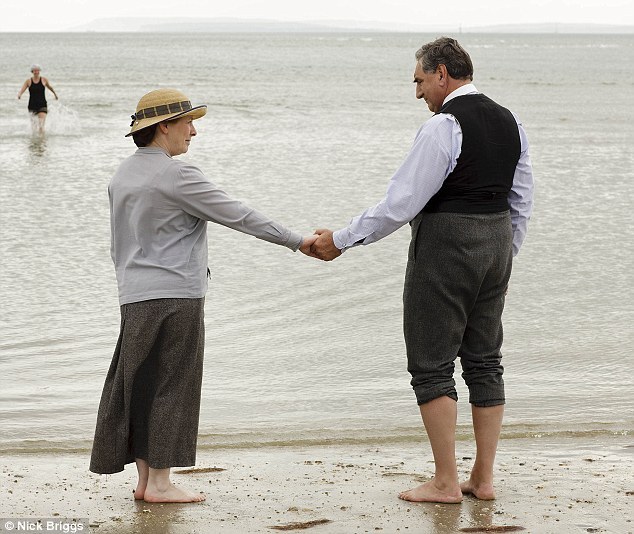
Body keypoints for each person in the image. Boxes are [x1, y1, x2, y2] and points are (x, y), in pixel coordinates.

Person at [309, 37, 534, 504]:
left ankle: (446, 482)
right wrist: (503, 250)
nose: (417, 93)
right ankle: (484, 480)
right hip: (497, 244)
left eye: (418, 81)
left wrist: (342, 240)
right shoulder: (511, 121)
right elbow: (521, 198)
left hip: (447, 244)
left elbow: (401, 203)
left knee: (431, 363)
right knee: (485, 359)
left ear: (442, 74)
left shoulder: (444, 126)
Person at [89, 88, 317, 503]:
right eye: (187, 123)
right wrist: (297, 240)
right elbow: (239, 215)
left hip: (133, 295)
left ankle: (145, 482)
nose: (193, 131)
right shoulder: (177, 175)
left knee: (141, 385)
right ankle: (160, 484)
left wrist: (129, 284)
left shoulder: (121, 176)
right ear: (163, 127)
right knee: (173, 385)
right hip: (177, 295)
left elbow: (116, 244)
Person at [17, 64, 58, 133]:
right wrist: (20, 94)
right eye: (34, 70)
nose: (36, 72)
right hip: (32, 105)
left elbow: (50, 87)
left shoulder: (44, 80)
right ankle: (35, 142)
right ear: (32, 71)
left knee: (41, 125)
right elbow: (22, 89)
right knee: (34, 127)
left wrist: (55, 94)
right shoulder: (28, 81)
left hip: (42, 105)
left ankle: (42, 142)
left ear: (39, 71)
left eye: (37, 70)